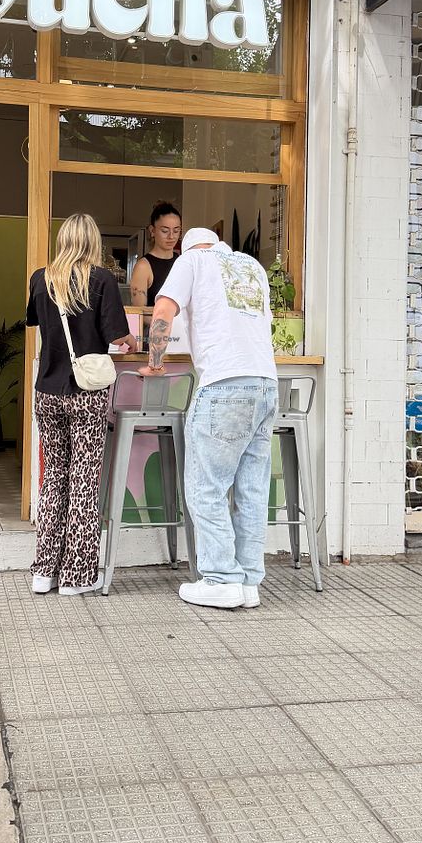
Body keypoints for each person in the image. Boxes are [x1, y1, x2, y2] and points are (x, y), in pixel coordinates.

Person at [139, 227, 278, 610]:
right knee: (251, 490)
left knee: (206, 488)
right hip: (266, 383)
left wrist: (155, 362)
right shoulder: (251, 266)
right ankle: (248, 582)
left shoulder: (192, 261)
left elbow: (163, 311)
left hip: (224, 385)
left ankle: (220, 579)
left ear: (188, 248)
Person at [26, 213, 132, 596]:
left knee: (53, 477)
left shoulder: (41, 278)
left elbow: (35, 321)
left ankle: (44, 573)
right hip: (86, 394)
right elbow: (117, 338)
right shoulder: (101, 280)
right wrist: (132, 344)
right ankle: (77, 576)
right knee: (84, 480)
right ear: (93, 242)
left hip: (47, 391)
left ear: (63, 240)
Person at [129, 202, 183, 308]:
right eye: (165, 231)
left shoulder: (182, 262)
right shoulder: (143, 267)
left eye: (176, 231)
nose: (171, 236)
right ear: (152, 230)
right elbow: (139, 312)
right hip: (155, 319)